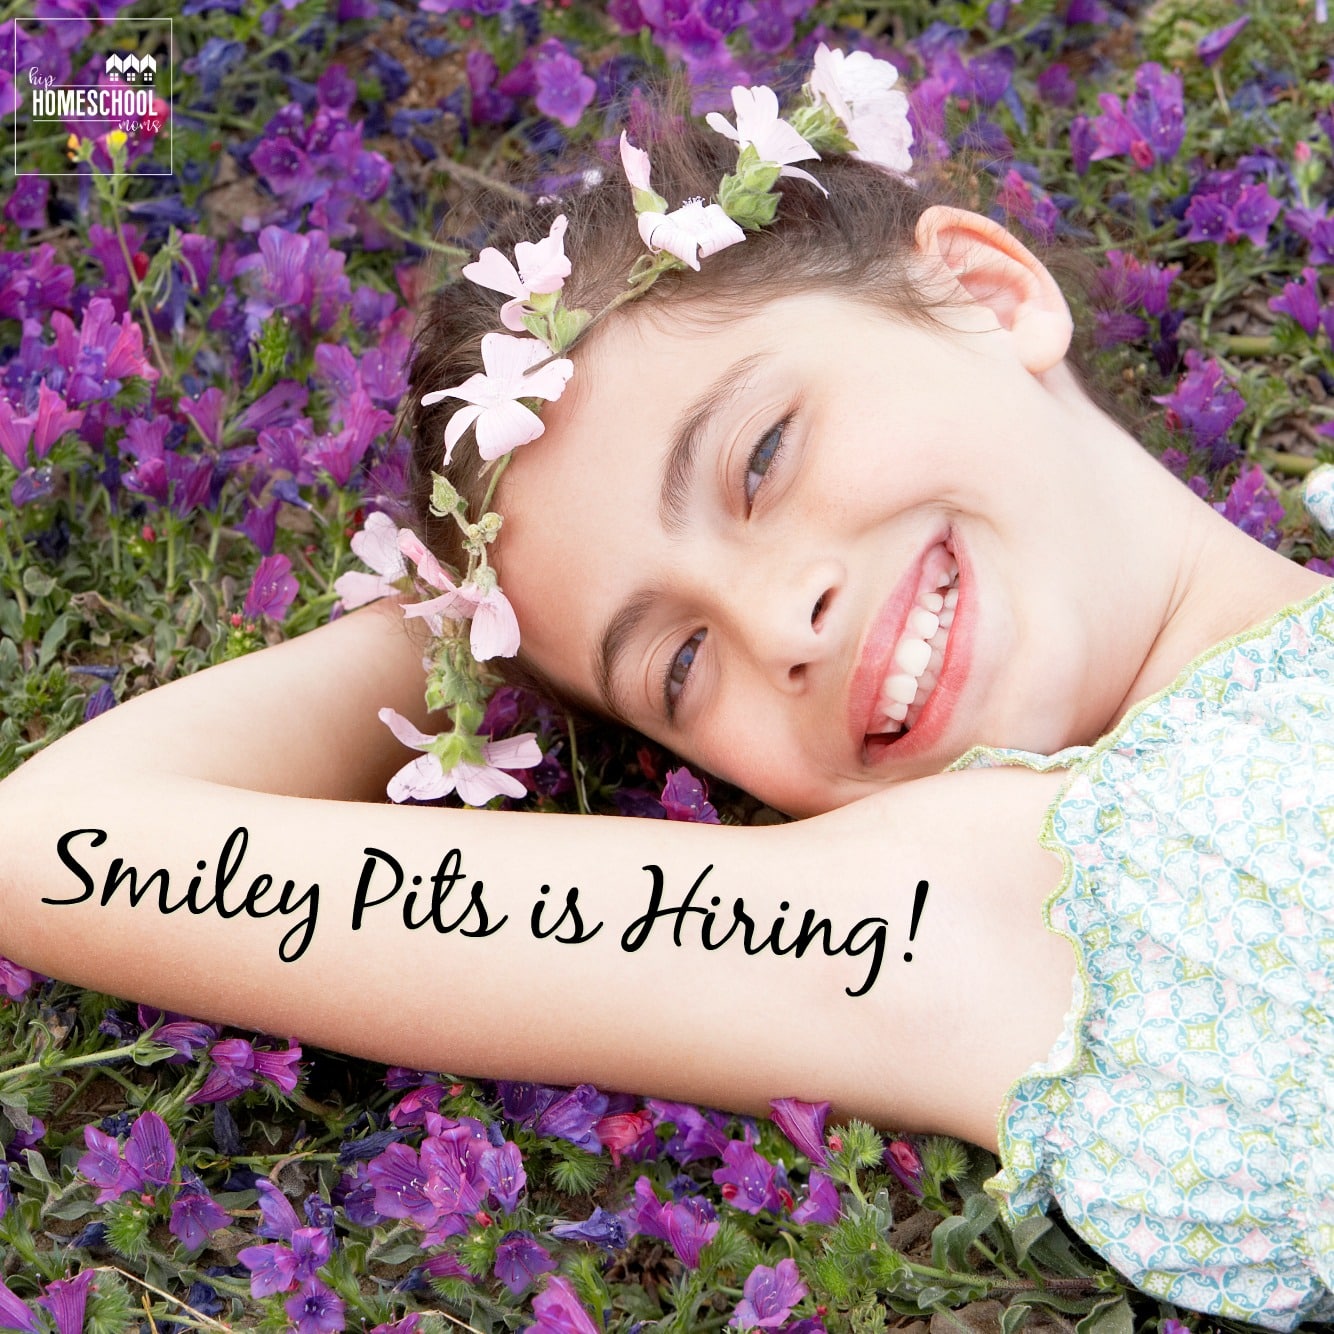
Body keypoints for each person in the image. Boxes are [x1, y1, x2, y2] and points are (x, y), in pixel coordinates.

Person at [1, 53, 1331, 1331]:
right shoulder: (957, 917)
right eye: (676, 667)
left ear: (982, 290)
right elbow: (61, 842)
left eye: (759, 456)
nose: (773, 622)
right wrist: (466, 619)